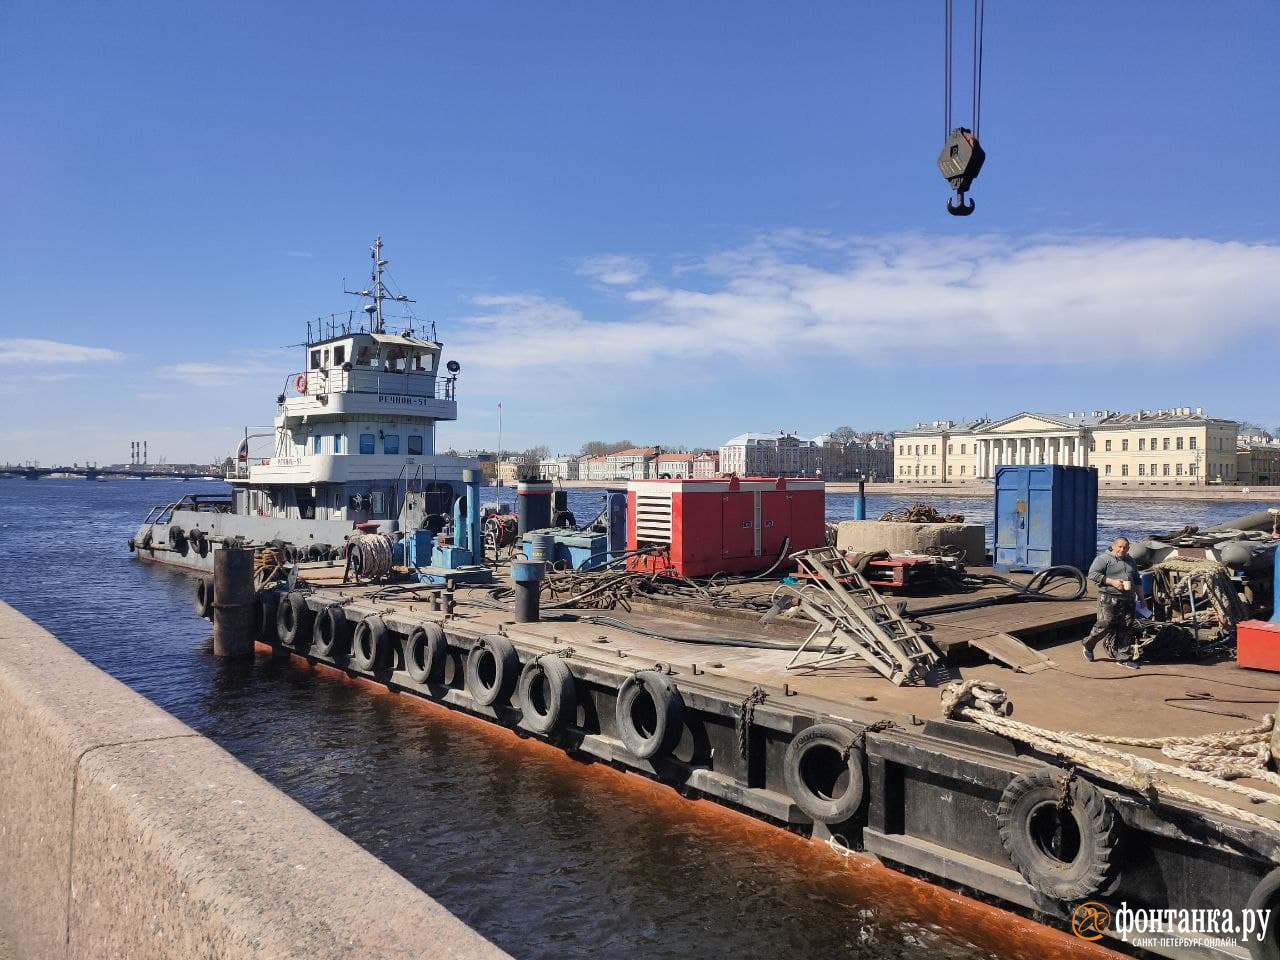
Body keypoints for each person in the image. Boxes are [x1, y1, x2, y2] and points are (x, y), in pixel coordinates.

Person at [1082, 537, 1147, 662]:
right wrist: (1112, 582)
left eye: (1125, 547)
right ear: (1113, 546)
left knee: (1126, 627)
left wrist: (1142, 599)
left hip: (1128, 598)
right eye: (1120, 547)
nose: (1122, 549)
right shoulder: (1103, 559)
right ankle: (1088, 644)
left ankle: (1123, 656)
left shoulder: (1131, 561)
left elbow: (1137, 580)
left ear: (1128, 548)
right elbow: (1092, 574)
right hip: (1108, 598)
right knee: (1105, 625)